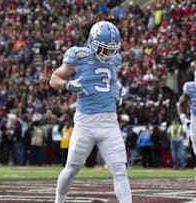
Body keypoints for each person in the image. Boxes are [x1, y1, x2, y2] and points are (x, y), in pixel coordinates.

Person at [49, 21, 132, 203]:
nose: (109, 53)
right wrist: (67, 84)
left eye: (112, 49)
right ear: (92, 43)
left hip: (109, 122)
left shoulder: (114, 59)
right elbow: (54, 78)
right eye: (104, 49)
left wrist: (118, 88)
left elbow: (107, 78)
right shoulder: (78, 56)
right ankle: (59, 201)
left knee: (120, 170)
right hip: (85, 123)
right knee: (72, 168)